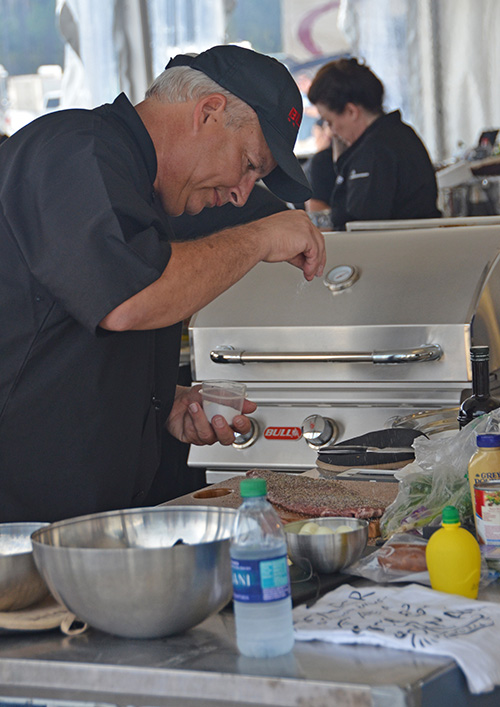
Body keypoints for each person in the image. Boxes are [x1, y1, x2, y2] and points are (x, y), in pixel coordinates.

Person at [0, 45, 325, 522]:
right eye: (249, 164)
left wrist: (160, 401)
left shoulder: (142, 187)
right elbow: (129, 298)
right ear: (209, 112)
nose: (242, 195)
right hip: (18, 522)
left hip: (86, 520)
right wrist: (260, 237)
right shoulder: (76, 150)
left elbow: (63, 332)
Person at [305, 57, 441, 229]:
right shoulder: (399, 134)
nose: (332, 131)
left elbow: (359, 226)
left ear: (351, 111)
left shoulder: (374, 153)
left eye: (330, 121)